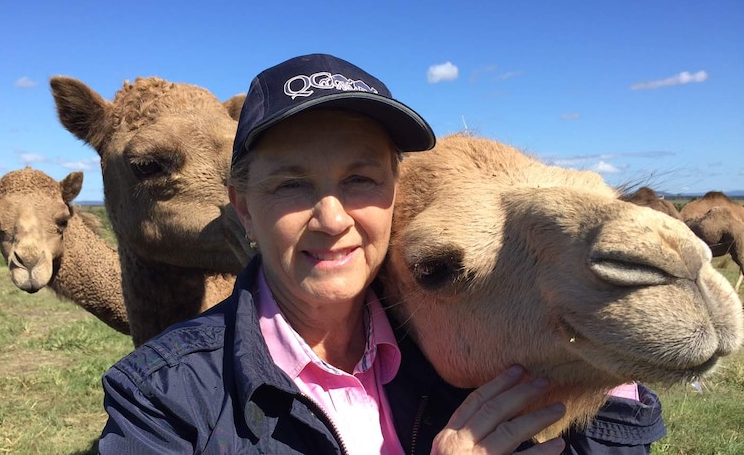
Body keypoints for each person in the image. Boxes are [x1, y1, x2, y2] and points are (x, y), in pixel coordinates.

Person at [98, 53, 664, 454]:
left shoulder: (445, 327)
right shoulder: (163, 399)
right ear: (242, 206)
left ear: (396, 192)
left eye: (362, 179)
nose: (333, 218)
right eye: (291, 185)